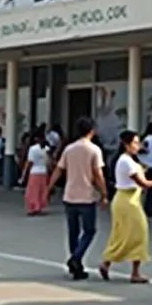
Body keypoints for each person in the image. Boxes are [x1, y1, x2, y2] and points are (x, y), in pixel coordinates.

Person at [47, 117, 109, 280]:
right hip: (87, 197)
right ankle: (76, 258)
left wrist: (49, 187)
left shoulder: (69, 149)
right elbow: (98, 174)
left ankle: (77, 266)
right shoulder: (94, 150)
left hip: (70, 195)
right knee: (89, 231)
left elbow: (58, 170)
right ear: (92, 131)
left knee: (73, 232)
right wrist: (104, 193)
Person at [99, 131, 152, 283]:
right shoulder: (125, 161)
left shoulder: (130, 160)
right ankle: (127, 269)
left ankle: (111, 264)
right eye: (134, 143)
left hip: (131, 199)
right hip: (127, 201)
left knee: (127, 234)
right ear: (126, 145)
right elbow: (142, 183)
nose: (137, 146)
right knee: (138, 232)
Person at [22, 129, 51, 215]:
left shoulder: (33, 149)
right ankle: (40, 206)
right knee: (41, 191)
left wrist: (24, 174)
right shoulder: (46, 149)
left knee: (32, 191)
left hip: (34, 171)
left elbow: (29, 162)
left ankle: (33, 207)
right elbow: (49, 162)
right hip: (44, 171)